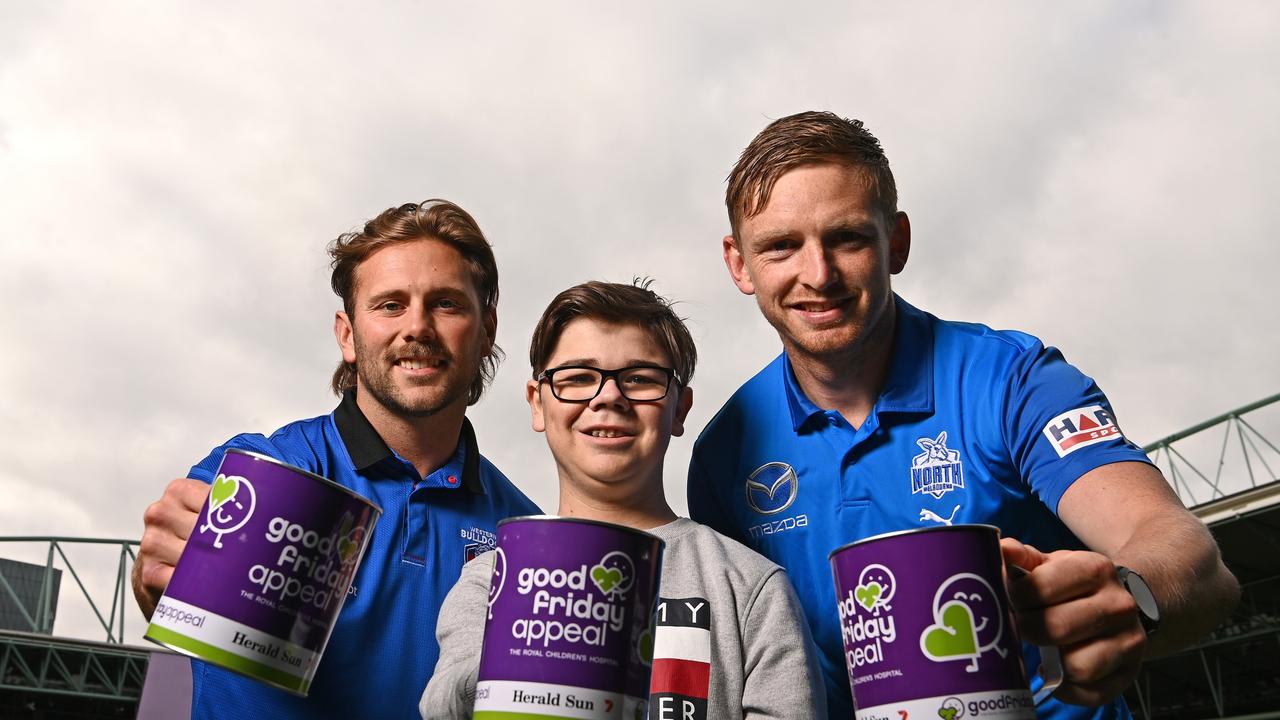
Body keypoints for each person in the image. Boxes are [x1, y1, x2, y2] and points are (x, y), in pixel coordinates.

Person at [687, 111, 1240, 719]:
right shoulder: (724, 452)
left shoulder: (1013, 381)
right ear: (739, 263)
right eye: (781, 247)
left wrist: (1129, 596)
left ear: (896, 241)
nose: (818, 275)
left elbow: (1191, 557)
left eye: (848, 238)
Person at [131, 199, 541, 719]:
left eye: (447, 304)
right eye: (390, 305)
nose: (417, 327)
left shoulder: (526, 538)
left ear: (486, 332)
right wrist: (158, 571)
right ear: (347, 334)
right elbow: (169, 597)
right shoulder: (266, 470)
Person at [420, 280, 826, 719]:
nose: (608, 397)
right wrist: (527, 663)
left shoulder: (751, 588)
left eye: (639, 379)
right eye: (577, 378)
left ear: (680, 409)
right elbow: (443, 705)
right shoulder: (491, 580)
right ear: (537, 405)